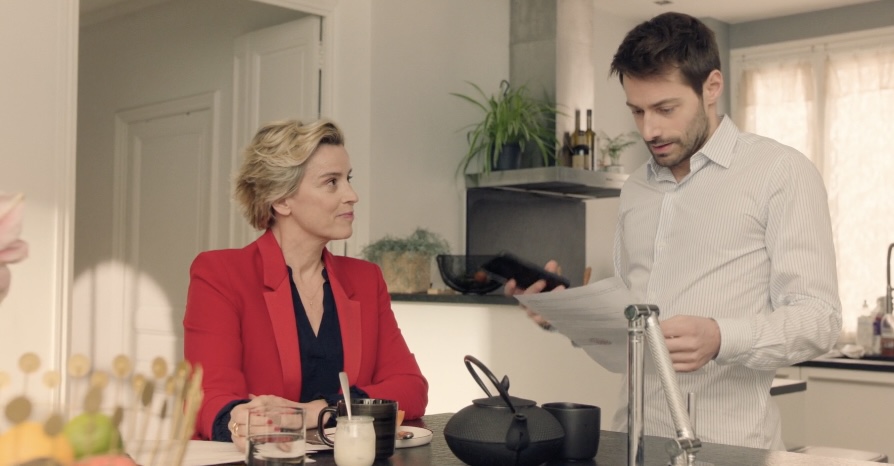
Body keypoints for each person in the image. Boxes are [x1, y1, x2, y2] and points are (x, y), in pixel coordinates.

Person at [509, 12, 841, 450]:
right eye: (637, 111)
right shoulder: (636, 189)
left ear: (712, 87)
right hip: (632, 441)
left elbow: (820, 319)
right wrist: (563, 313)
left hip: (731, 449)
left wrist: (721, 337)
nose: (650, 130)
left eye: (665, 109)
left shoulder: (780, 172)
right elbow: (631, 327)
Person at [184, 118, 428, 451]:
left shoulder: (366, 279)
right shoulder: (220, 274)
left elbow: (411, 389)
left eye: (348, 179)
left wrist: (317, 411)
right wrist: (240, 418)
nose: (352, 195)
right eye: (331, 182)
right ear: (282, 200)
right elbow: (208, 396)